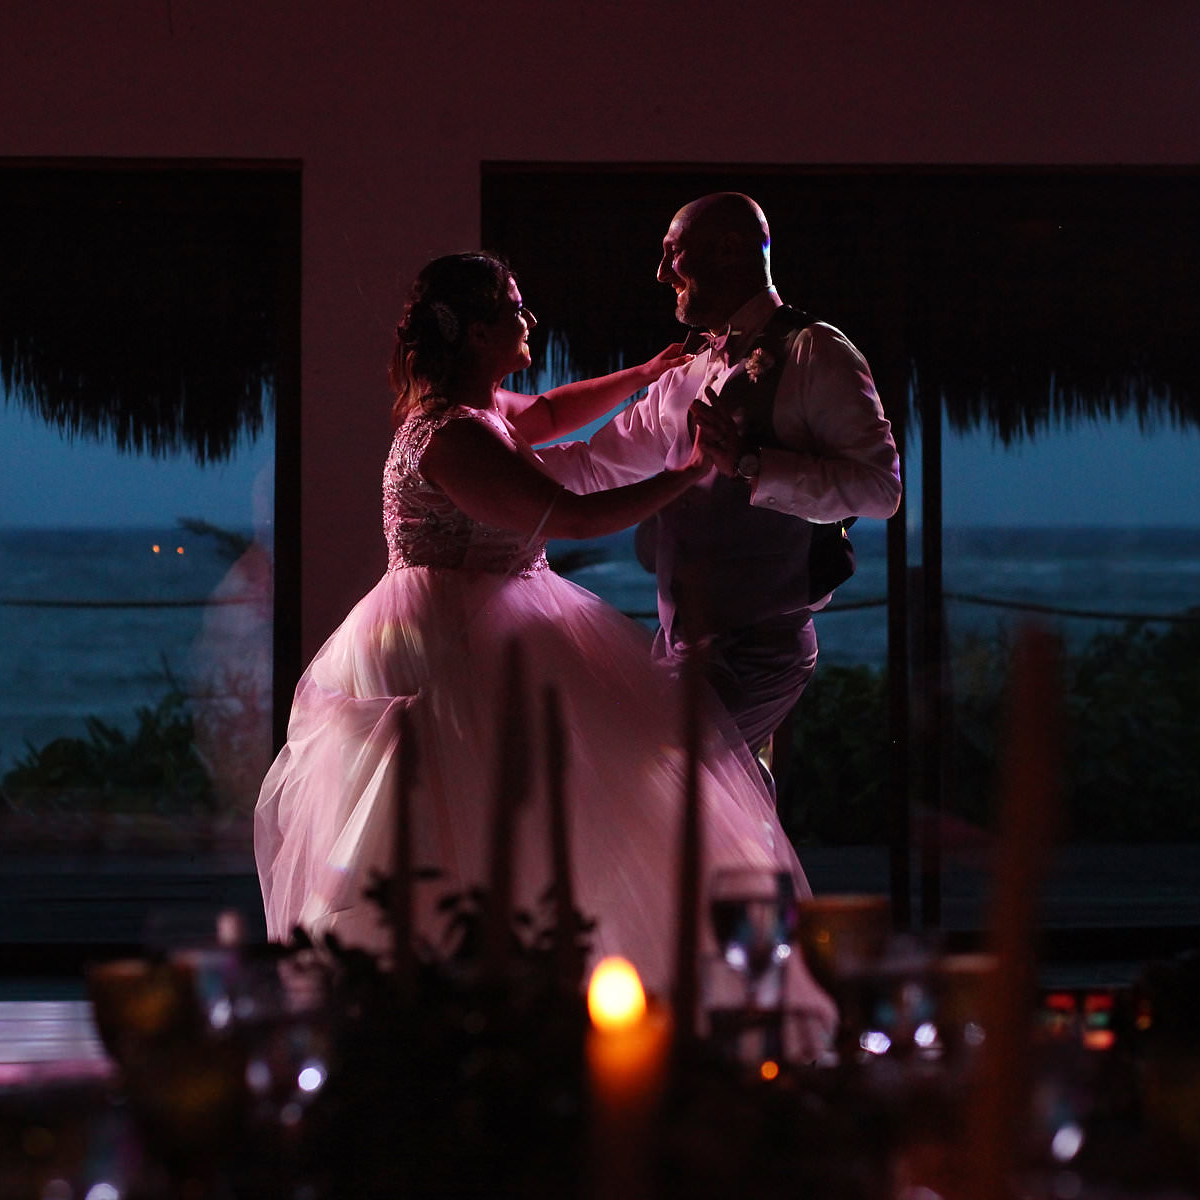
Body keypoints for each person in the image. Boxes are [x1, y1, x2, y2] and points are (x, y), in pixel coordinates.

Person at [254, 252, 821, 1003]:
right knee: (474, 821)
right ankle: (479, 1000)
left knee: (543, 817)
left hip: (497, 619)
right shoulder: (455, 437)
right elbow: (578, 516)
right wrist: (685, 472)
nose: (529, 321)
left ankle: (536, 993)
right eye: (515, 311)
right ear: (480, 332)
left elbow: (552, 411)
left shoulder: (479, 409)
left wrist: (644, 377)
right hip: (457, 646)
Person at [536, 192, 902, 768]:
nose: (660, 274)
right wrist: (492, 472)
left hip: (761, 649)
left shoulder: (816, 353)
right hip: (679, 649)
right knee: (705, 820)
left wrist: (754, 465)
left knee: (652, 779)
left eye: (673, 255)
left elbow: (881, 490)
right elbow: (594, 466)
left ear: (730, 250)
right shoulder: (689, 370)